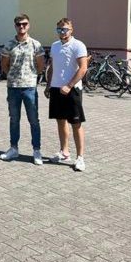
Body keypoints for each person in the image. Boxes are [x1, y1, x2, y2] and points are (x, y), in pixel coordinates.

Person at [0, 14, 46, 165]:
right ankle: (13, 148)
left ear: (29, 25)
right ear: (15, 26)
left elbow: (40, 66)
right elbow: (4, 65)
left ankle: (36, 150)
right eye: (19, 24)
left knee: (34, 120)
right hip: (13, 88)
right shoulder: (9, 45)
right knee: (14, 120)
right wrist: (13, 76)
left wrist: (31, 77)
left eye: (24, 24)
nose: (21, 26)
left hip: (30, 88)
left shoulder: (36, 44)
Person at [44, 18, 88, 171]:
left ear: (71, 30)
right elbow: (52, 67)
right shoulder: (55, 46)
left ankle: (80, 157)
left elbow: (83, 68)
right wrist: (48, 85)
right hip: (56, 89)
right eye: (59, 29)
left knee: (76, 123)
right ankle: (64, 152)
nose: (62, 32)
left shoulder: (78, 45)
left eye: (65, 29)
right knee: (60, 121)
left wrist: (69, 85)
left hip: (72, 90)